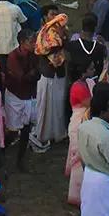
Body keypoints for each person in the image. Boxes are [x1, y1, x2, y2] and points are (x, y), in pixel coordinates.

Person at [78, 89, 109, 216]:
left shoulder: (83, 127)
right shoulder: (106, 135)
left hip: (88, 177)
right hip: (106, 182)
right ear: (103, 112)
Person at [32, 13, 68, 151]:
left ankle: (58, 133)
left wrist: (63, 35)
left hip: (58, 75)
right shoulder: (44, 34)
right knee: (46, 106)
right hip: (47, 74)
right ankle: (44, 134)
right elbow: (50, 48)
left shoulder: (60, 31)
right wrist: (62, 38)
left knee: (58, 105)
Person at [4, 28, 38, 170]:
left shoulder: (33, 55)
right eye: (32, 41)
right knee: (13, 130)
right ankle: (2, 149)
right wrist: (32, 74)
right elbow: (22, 77)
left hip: (28, 95)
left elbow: (35, 74)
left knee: (26, 128)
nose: (35, 44)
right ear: (23, 42)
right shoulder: (13, 57)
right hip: (16, 97)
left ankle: (20, 159)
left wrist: (32, 74)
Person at [65, 61, 95, 206]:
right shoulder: (79, 87)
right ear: (83, 72)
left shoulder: (82, 84)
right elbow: (91, 104)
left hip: (80, 122)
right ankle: (77, 195)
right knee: (79, 159)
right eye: (91, 68)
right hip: (79, 124)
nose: (94, 70)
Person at [66, 12, 106, 81]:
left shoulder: (72, 45)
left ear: (82, 29)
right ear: (95, 29)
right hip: (93, 83)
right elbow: (100, 67)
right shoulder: (100, 47)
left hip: (75, 83)